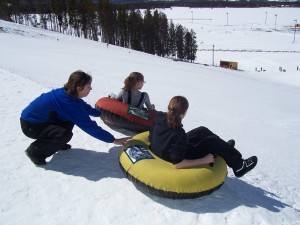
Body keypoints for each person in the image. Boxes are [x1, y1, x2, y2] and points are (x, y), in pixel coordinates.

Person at [20, 70, 130, 166]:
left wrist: (99, 113)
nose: (91, 88)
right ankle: (35, 152)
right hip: (31, 126)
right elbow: (90, 127)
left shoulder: (68, 94)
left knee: (68, 121)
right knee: (64, 134)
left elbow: (82, 106)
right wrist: (113, 140)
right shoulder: (69, 103)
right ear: (79, 88)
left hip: (40, 120)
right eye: (88, 86)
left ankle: (56, 143)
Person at [149, 96, 257, 178]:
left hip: (167, 147)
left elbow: (152, 136)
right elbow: (178, 164)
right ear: (185, 112)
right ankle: (239, 166)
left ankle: (224, 149)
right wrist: (203, 160)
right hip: (174, 156)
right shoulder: (179, 133)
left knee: (201, 130)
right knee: (212, 142)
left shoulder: (159, 117)